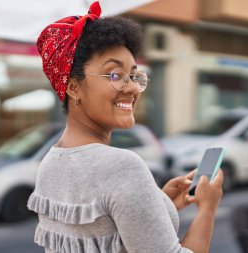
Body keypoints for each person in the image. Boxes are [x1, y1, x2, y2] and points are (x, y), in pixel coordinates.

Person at [27, 2, 223, 253]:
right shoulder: (121, 166)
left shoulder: (49, 164)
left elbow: (103, 231)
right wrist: (207, 208)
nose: (131, 88)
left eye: (133, 75)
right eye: (115, 75)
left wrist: (159, 202)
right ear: (74, 87)